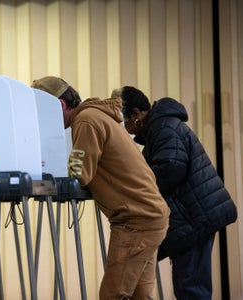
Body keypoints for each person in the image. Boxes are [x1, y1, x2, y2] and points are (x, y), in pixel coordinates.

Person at [31, 76, 170, 299]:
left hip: (135, 222)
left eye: (42, 113)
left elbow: (79, 172)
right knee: (140, 295)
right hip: (151, 216)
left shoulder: (86, 120)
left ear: (60, 105)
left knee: (112, 295)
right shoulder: (99, 116)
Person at [112, 86, 238, 299]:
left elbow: (171, 168)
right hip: (195, 214)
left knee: (191, 287)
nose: (122, 127)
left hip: (195, 216)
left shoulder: (163, 128)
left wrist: (136, 186)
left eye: (121, 120)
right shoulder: (160, 128)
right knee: (188, 283)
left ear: (135, 114)